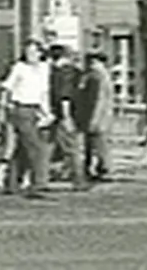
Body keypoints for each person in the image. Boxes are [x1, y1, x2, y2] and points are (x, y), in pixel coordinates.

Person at [0, 38, 52, 196]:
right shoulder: (20, 68)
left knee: (22, 148)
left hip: (36, 110)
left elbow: (43, 93)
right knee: (36, 147)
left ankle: (12, 182)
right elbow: (7, 88)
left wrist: (47, 113)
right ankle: (38, 183)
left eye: (34, 52)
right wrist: (4, 108)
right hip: (21, 108)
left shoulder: (44, 69)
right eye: (28, 52)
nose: (31, 55)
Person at [46, 44, 86, 190]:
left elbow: (64, 96)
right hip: (62, 114)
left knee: (55, 147)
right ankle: (78, 180)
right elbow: (66, 96)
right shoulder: (70, 72)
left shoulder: (59, 73)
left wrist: (65, 115)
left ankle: (77, 179)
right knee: (70, 148)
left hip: (56, 114)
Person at [78, 50, 115, 183]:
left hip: (98, 116)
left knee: (99, 144)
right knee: (96, 144)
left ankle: (105, 169)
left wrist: (94, 118)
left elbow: (99, 99)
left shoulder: (96, 76)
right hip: (103, 115)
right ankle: (98, 168)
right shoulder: (104, 75)